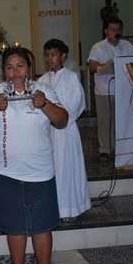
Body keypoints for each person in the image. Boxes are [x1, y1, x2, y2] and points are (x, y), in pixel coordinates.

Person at [0, 47, 68, 264]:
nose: (15, 72)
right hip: (7, 172)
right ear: (4, 71)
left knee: (42, 226)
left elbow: (62, 120)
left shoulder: (42, 90)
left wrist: (44, 104)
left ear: (29, 68)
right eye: (9, 67)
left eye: (20, 66)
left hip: (40, 171)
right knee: (15, 227)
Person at [38, 39, 91, 220]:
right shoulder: (42, 80)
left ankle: (70, 209)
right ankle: (53, 207)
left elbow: (76, 104)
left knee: (66, 169)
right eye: (47, 55)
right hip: (47, 133)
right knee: (51, 170)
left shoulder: (71, 77)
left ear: (63, 56)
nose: (49, 58)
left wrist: (58, 118)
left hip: (65, 131)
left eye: (53, 55)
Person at [88, 18, 133, 161]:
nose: (116, 32)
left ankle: (121, 148)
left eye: (118, 30)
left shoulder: (127, 45)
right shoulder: (98, 47)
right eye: (113, 29)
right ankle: (105, 149)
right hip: (104, 90)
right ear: (106, 31)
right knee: (105, 121)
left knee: (122, 120)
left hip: (124, 90)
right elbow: (92, 66)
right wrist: (109, 64)